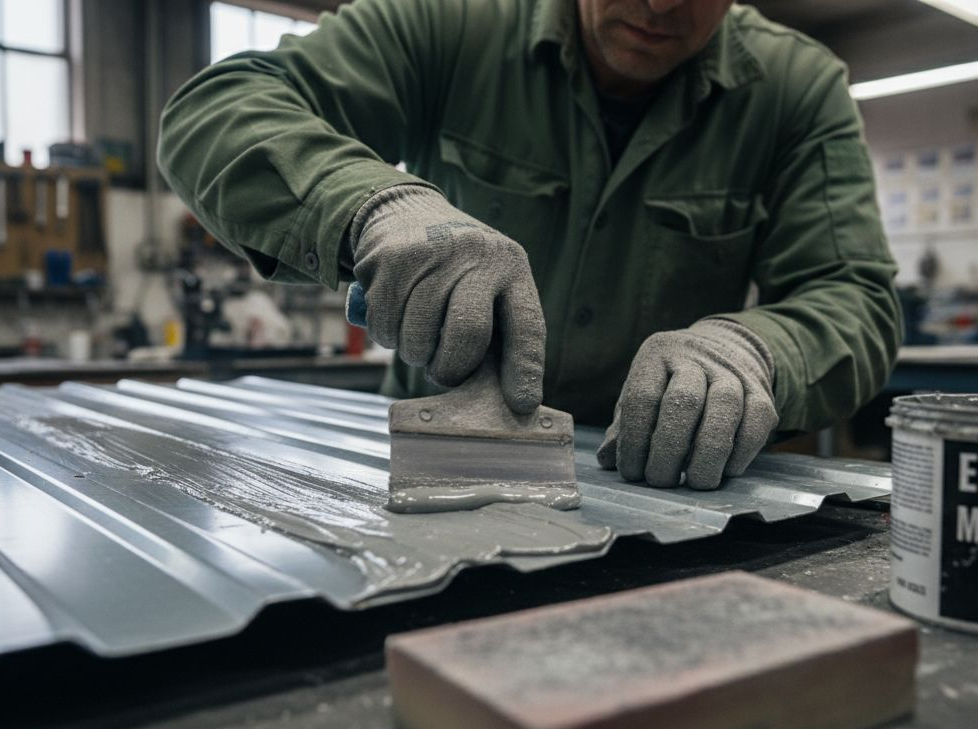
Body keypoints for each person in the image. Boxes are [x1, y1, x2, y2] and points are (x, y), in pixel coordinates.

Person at [157, 0, 901, 491]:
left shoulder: (797, 90)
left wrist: (757, 350)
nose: (659, 4)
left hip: (658, 490)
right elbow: (216, 108)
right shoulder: (454, 23)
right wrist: (375, 207)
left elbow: (855, 299)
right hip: (433, 470)